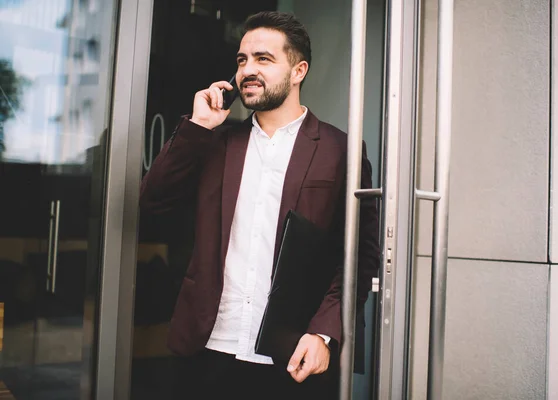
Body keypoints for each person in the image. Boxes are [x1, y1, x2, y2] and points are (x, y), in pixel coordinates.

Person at [139, 11, 380, 400]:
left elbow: (358, 257)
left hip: (293, 354)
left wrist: (324, 332)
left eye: (263, 59)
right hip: (209, 347)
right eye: (242, 60)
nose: (248, 69)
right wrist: (198, 127)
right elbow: (153, 201)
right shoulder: (214, 142)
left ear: (298, 70)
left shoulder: (341, 151)